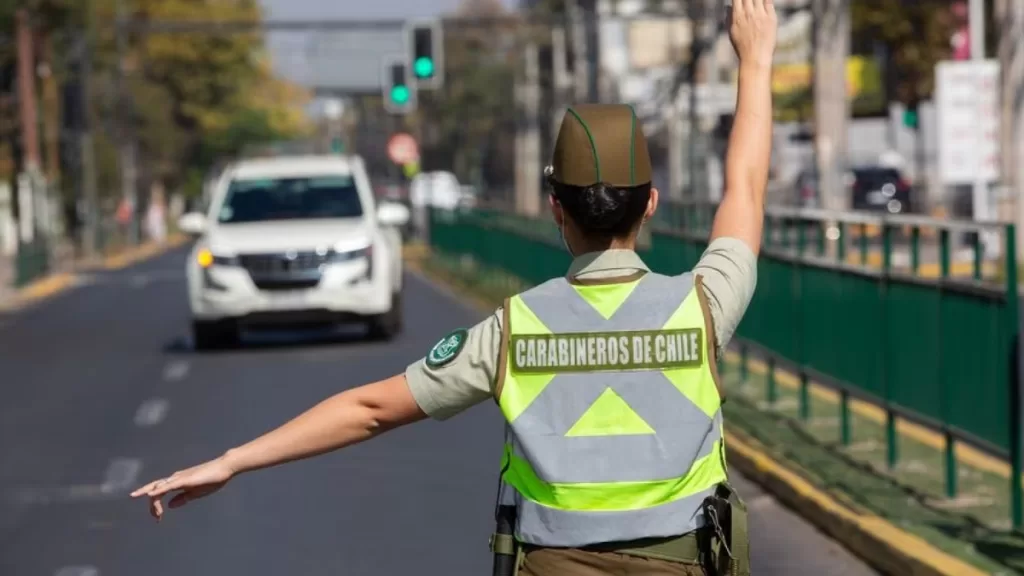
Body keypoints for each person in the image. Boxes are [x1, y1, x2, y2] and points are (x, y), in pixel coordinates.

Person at [131, 0, 776, 573]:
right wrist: (756, 59)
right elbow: (744, 188)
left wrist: (233, 461)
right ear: (652, 203)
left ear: (556, 209)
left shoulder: (513, 330)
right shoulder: (703, 306)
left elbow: (370, 411)